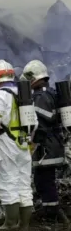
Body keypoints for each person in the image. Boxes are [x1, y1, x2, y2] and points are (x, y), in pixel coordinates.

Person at [0, 59, 34, 229]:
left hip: (6, 144)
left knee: (7, 182)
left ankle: (10, 223)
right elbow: (33, 123)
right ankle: (24, 224)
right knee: (24, 183)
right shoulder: (25, 94)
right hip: (24, 143)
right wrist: (30, 144)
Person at [21, 60, 65, 221]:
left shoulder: (41, 96)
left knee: (45, 180)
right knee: (44, 179)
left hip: (47, 146)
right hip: (53, 144)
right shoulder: (51, 92)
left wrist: (33, 143)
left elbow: (42, 122)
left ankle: (51, 213)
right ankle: (48, 209)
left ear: (34, 77)